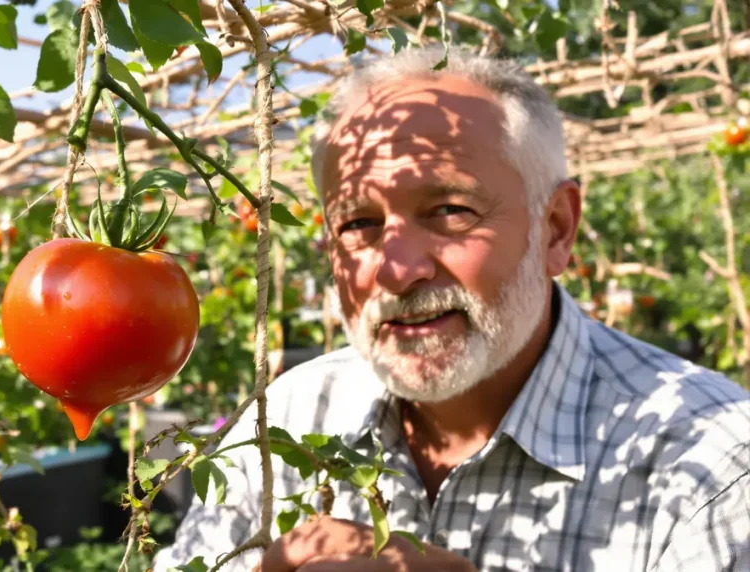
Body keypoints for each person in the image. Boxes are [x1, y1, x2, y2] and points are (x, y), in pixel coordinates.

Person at [152, 45, 750, 572]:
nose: (396, 267)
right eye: (358, 224)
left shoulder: (712, 468)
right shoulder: (287, 415)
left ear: (557, 229)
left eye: (451, 211)